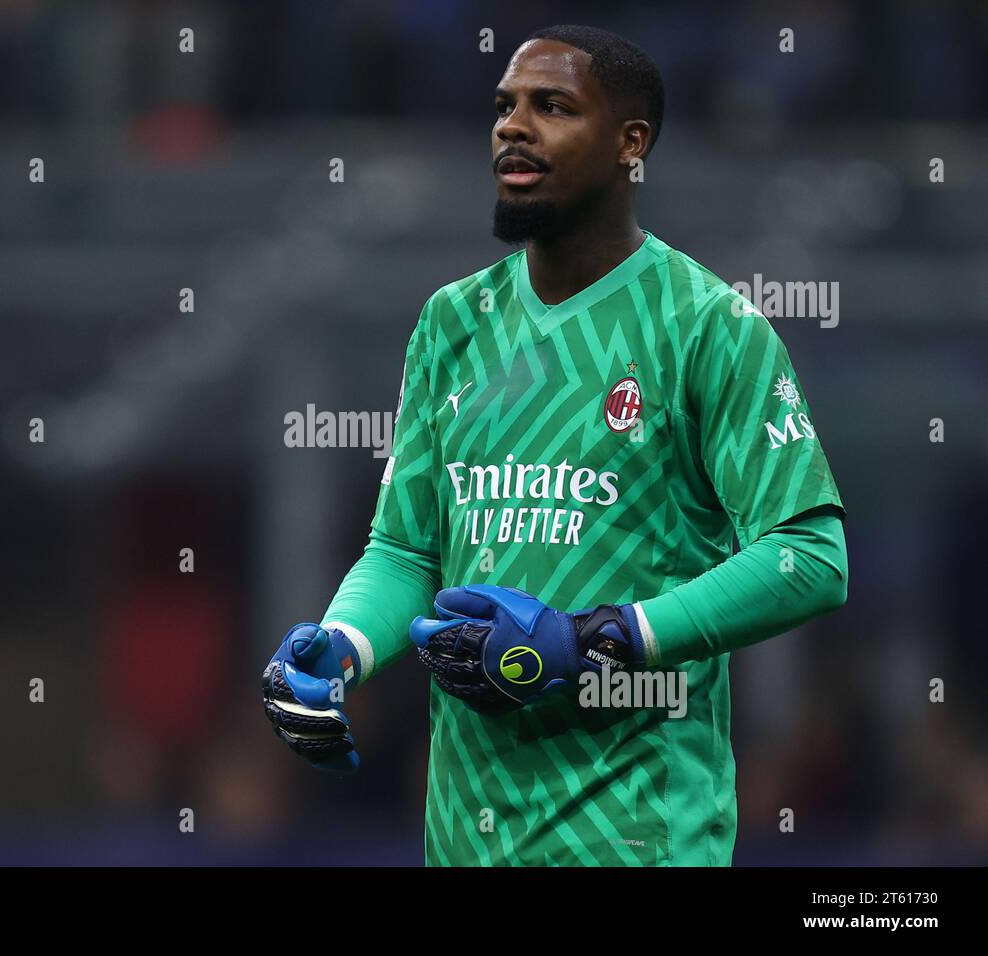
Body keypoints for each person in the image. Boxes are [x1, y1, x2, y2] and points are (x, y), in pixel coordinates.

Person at [262, 24, 847, 866]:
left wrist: (598, 639)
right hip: (466, 840)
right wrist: (342, 646)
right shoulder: (451, 323)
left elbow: (810, 555)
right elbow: (403, 550)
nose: (512, 126)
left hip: (641, 841)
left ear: (629, 143)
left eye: (552, 106)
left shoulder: (707, 326)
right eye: (503, 107)